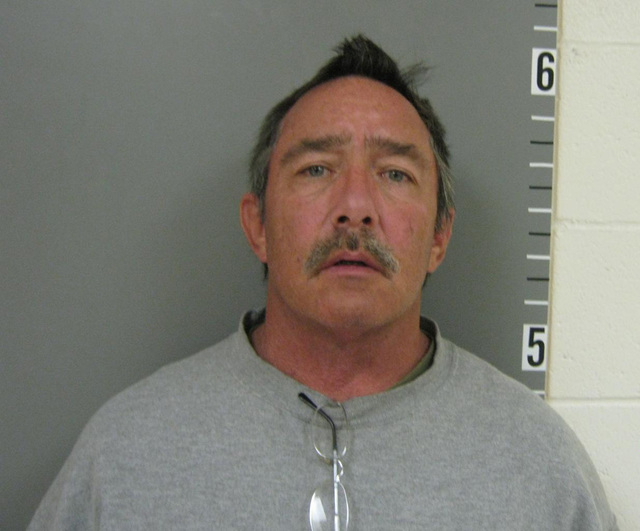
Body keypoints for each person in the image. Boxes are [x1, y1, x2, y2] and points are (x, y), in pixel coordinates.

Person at [29, 35, 617, 530]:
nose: (355, 206)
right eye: (316, 168)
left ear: (439, 236)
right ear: (258, 226)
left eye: (394, 173)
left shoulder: (540, 467)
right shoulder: (124, 456)